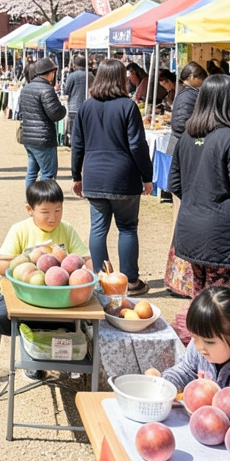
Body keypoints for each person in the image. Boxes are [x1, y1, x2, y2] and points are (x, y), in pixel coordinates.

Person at [169, 73, 230, 296]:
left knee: (202, 304)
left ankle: (199, 333)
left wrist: (198, 200)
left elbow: (175, 182)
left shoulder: (186, 136)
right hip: (224, 236)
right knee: (223, 309)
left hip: (191, 230)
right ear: (228, 101)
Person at [71, 60, 154, 294]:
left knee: (98, 228)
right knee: (127, 228)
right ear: (120, 78)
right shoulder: (127, 106)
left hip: (94, 175)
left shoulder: (87, 106)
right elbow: (138, 145)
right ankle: (130, 281)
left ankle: (101, 279)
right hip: (123, 175)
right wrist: (147, 175)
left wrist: (76, 175)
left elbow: (77, 143)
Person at [0, 179, 92, 333]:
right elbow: (1, 267)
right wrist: (28, 261)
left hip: (59, 298)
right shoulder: (19, 230)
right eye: (45, 212)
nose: (52, 217)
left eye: (58, 210)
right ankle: (36, 334)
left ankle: (46, 333)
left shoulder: (66, 229)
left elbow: (85, 260)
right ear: (30, 209)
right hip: (25, 295)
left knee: (86, 321)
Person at [16, 56, 66, 187]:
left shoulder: (26, 88)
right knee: (48, 173)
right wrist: (63, 109)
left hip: (28, 136)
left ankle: (30, 200)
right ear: (50, 73)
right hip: (43, 138)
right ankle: (43, 202)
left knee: (31, 173)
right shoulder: (47, 89)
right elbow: (55, 114)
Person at [169, 62, 208, 154]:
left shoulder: (186, 92)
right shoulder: (187, 95)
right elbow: (181, 123)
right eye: (200, 78)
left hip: (182, 142)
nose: (202, 81)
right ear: (191, 77)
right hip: (183, 144)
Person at [62, 54, 88, 144]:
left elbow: (66, 90)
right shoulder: (90, 75)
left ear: (74, 65)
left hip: (74, 107)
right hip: (87, 107)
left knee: (74, 133)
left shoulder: (72, 76)